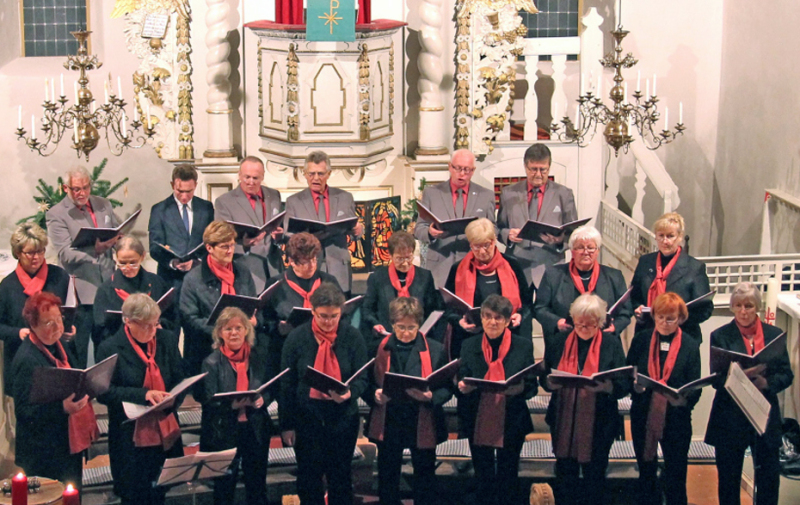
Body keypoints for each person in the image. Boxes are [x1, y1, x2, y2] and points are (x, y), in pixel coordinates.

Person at [280, 282, 369, 505]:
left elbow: (363, 378)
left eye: (334, 316)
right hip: (307, 419)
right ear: (312, 312)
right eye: (323, 316)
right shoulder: (297, 338)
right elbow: (287, 385)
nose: (329, 322)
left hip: (342, 418)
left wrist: (350, 394)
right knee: (309, 478)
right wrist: (286, 425)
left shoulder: (352, 337)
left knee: (340, 478)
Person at [705, 282, 793, 505]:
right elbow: (716, 378)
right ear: (732, 307)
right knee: (728, 479)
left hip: (763, 414)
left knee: (768, 479)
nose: (743, 311)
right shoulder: (720, 336)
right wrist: (737, 378)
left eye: (749, 306)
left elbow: (786, 374)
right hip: (730, 415)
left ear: (758, 308)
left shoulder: (774, 335)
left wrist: (767, 382)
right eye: (738, 306)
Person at [96, 293, 185, 505]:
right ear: (128, 321)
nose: (153, 331)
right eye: (147, 326)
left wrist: (172, 400)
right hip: (130, 437)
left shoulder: (167, 340)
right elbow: (104, 392)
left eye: (156, 324)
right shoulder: (109, 348)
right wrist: (143, 395)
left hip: (164, 431)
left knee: (160, 493)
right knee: (134, 495)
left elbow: (180, 379)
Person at [543, 293, 628, 505]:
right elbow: (544, 377)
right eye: (579, 324)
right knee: (565, 474)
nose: (583, 329)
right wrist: (549, 384)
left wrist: (609, 387)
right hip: (563, 418)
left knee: (594, 476)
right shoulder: (558, 342)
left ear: (599, 322)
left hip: (600, 421)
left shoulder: (611, 344)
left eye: (589, 325)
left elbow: (624, 383)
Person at [365, 297, 452, 505]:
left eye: (411, 327)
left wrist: (432, 397)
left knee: (424, 477)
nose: (405, 332)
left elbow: (448, 387)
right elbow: (363, 382)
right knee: (388, 476)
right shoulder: (376, 348)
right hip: (389, 418)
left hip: (423, 418)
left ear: (419, 324)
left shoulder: (436, 349)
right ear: (392, 324)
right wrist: (374, 394)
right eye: (400, 327)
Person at [12, 292, 98, 491]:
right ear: (33, 325)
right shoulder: (27, 359)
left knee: (72, 495)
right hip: (42, 451)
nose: (58, 327)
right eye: (49, 323)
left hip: (66, 443)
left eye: (59, 319)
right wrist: (62, 408)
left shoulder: (61, 345)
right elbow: (23, 411)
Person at [457, 294, 536, 505]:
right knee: (482, 474)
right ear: (481, 318)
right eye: (488, 317)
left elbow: (532, 387)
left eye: (498, 318)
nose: (492, 322)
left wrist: (518, 389)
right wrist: (462, 387)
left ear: (508, 320)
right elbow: (461, 379)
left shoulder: (523, 345)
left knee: (508, 474)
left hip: (511, 418)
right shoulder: (468, 345)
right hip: (478, 417)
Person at [627, 293, 701, 505]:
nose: (664, 323)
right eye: (660, 317)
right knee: (646, 470)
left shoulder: (689, 345)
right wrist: (636, 387)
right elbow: (628, 371)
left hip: (676, 416)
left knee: (676, 473)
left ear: (680, 319)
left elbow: (695, 384)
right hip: (644, 412)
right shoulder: (641, 340)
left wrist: (684, 400)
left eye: (670, 319)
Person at [196, 307, 274, 505]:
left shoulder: (259, 356)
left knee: (257, 486)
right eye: (228, 329)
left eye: (238, 328)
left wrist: (263, 398)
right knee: (224, 488)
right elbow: (208, 399)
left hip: (254, 428)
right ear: (220, 333)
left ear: (247, 329)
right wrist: (229, 405)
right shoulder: (211, 362)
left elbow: (271, 387)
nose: (234, 333)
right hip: (224, 431)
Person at [46, 166, 120, 366]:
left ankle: (106, 393)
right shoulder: (57, 213)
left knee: (107, 344)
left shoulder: (103, 204)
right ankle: (80, 395)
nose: (82, 193)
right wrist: (94, 250)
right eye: (76, 189)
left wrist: (122, 244)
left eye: (85, 187)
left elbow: (116, 231)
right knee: (79, 348)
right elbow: (65, 254)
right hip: (81, 290)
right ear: (65, 188)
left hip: (108, 285)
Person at [443, 218, 532, 359]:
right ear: (470, 245)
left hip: (509, 335)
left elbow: (527, 303)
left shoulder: (512, 265)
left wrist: (520, 315)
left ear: (494, 240)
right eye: (476, 246)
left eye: (486, 245)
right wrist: (459, 321)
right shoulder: (458, 269)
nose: (482, 251)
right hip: (471, 339)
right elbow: (447, 307)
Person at [0, 223, 70, 397]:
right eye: (30, 252)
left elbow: (71, 311)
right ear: (17, 253)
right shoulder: (7, 286)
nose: (36, 257)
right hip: (22, 358)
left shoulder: (60, 276)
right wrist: (18, 333)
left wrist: (69, 328)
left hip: (56, 356)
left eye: (40, 251)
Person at [180, 220, 258, 375]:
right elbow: (189, 318)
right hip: (207, 349)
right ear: (209, 248)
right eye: (224, 247)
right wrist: (222, 332)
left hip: (242, 345)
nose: (230, 251)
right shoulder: (193, 278)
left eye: (232, 245)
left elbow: (253, 306)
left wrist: (254, 320)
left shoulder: (242, 272)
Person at [533, 225, 632, 346]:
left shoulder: (614, 276)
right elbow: (540, 308)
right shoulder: (553, 275)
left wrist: (615, 327)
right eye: (580, 247)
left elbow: (626, 311)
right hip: (563, 341)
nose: (586, 252)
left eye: (591, 248)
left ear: (598, 251)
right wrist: (558, 322)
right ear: (572, 250)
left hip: (604, 342)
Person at [284, 151, 364, 296]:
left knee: (341, 312)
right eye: (311, 174)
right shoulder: (294, 201)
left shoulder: (345, 197)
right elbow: (287, 234)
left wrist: (358, 230)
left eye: (320, 174)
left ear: (328, 173)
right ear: (305, 174)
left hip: (339, 267)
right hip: (308, 268)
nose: (315, 178)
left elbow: (353, 227)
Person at [414, 149, 497, 288]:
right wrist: (430, 232)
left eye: (467, 170)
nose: (462, 174)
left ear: (473, 170)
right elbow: (419, 229)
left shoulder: (486, 196)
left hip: (474, 263)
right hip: (440, 264)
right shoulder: (432, 193)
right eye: (458, 168)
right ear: (450, 167)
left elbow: (494, 229)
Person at [497, 143, 578, 286]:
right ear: (525, 166)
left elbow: (573, 232)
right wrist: (507, 235)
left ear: (549, 167)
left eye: (543, 170)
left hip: (550, 263)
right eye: (533, 169)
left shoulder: (564, 194)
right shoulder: (508, 193)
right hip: (517, 264)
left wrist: (560, 241)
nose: (539, 175)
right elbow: (499, 228)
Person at [261, 232, 340, 376]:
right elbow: (265, 319)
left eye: (314, 260)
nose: (311, 266)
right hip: (288, 349)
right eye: (305, 262)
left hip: (323, 349)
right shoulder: (276, 284)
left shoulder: (329, 281)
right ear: (291, 260)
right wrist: (278, 327)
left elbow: (342, 315)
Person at [630, 212, 713, 341]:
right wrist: (637, 308)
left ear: (679, 237)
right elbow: (634, 296)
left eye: (670, 236)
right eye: (661, 236)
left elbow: (705, 309)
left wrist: (677, 319)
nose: (665, 241)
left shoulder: (695, 267)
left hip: (683, 336)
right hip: (647, 334)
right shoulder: (645, 262)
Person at [360, 230, 444, 354]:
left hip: (417, 337)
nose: (405, 263)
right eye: (399, 258)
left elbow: (432, 308)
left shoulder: (425, 276)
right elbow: (367, 309)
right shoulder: (378, 277)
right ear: (390, 255)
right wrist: (375, 324)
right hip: (387, 338)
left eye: (408, 257)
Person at [214, 156, 284, 292]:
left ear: (262, 176)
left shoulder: (274, 195)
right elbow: (220, 239)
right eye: (247, 177)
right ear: (239, 175)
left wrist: (279, 237)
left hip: (274, 267)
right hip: (247, 269)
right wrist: (244, 245)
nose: (251, 182)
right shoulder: (224, 202)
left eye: (255, 178)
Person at [93, 236, 178, 345]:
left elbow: (171, 316)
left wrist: (159, 324)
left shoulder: (157, 282)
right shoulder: (106, 289)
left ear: (142, 256)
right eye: (122, 263)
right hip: (121, 347)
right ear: (116, 258)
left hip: (154, 341)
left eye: (133, 262)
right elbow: (99, 329)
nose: (128, 267)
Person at [148, 164, 214, 292]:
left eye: (188, 191)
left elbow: (212, 240)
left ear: (195, 185)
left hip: (200, 277)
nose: (184, 196)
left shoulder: (206, 207)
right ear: (172, 185)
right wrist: (172, 262)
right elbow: (154, 247)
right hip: (170, 279)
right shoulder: (159, 210)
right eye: (180, 191)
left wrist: (198, 261)